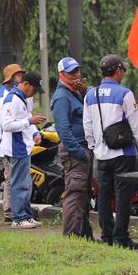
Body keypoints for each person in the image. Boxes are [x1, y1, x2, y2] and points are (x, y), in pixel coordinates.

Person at [84, 54, 138, 249]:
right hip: (123, 153)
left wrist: (93, 146)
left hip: (101, 154)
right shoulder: (124, 93)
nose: (123, 73)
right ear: (117, 71)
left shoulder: (91, 95)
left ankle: (107, 235)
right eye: (123, 70)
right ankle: (121, 238)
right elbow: (136, 125)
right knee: (123, 195)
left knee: (104, 194)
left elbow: (87, 125)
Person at [51, 57, 93, 239]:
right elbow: (63, 130)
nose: (76, 75)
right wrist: (79, 152)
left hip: (83, 148)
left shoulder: (75, 93)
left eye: (77, 70)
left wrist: (84, 92)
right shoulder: (61, 97)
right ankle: (71, 238)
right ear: (62, 75)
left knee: (83, 195)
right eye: (71, 72)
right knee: (75, 194)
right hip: (76, 151)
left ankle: (85, 236)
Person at [0, 70, 43, 229]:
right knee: (19, 184)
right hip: (15, 148)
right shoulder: (12, 99)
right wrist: (30, 121)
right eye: (34, 89)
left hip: (24, 147)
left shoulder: (22, 98)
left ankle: (27, 216)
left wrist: (35, 132)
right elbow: (7, 125)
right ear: (26, 84)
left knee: (26, 184)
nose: (35, 93)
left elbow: (25, 118)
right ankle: (18, 218)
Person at [0, 63, 26, 222]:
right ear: (10, 78)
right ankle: (9, 211)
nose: (21, 78)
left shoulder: (12, 93)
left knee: (13, 178)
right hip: (7, 143)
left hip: (11, 142)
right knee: (11, 179)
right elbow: (5, 122)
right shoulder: (5, 96)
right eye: (18, 75)